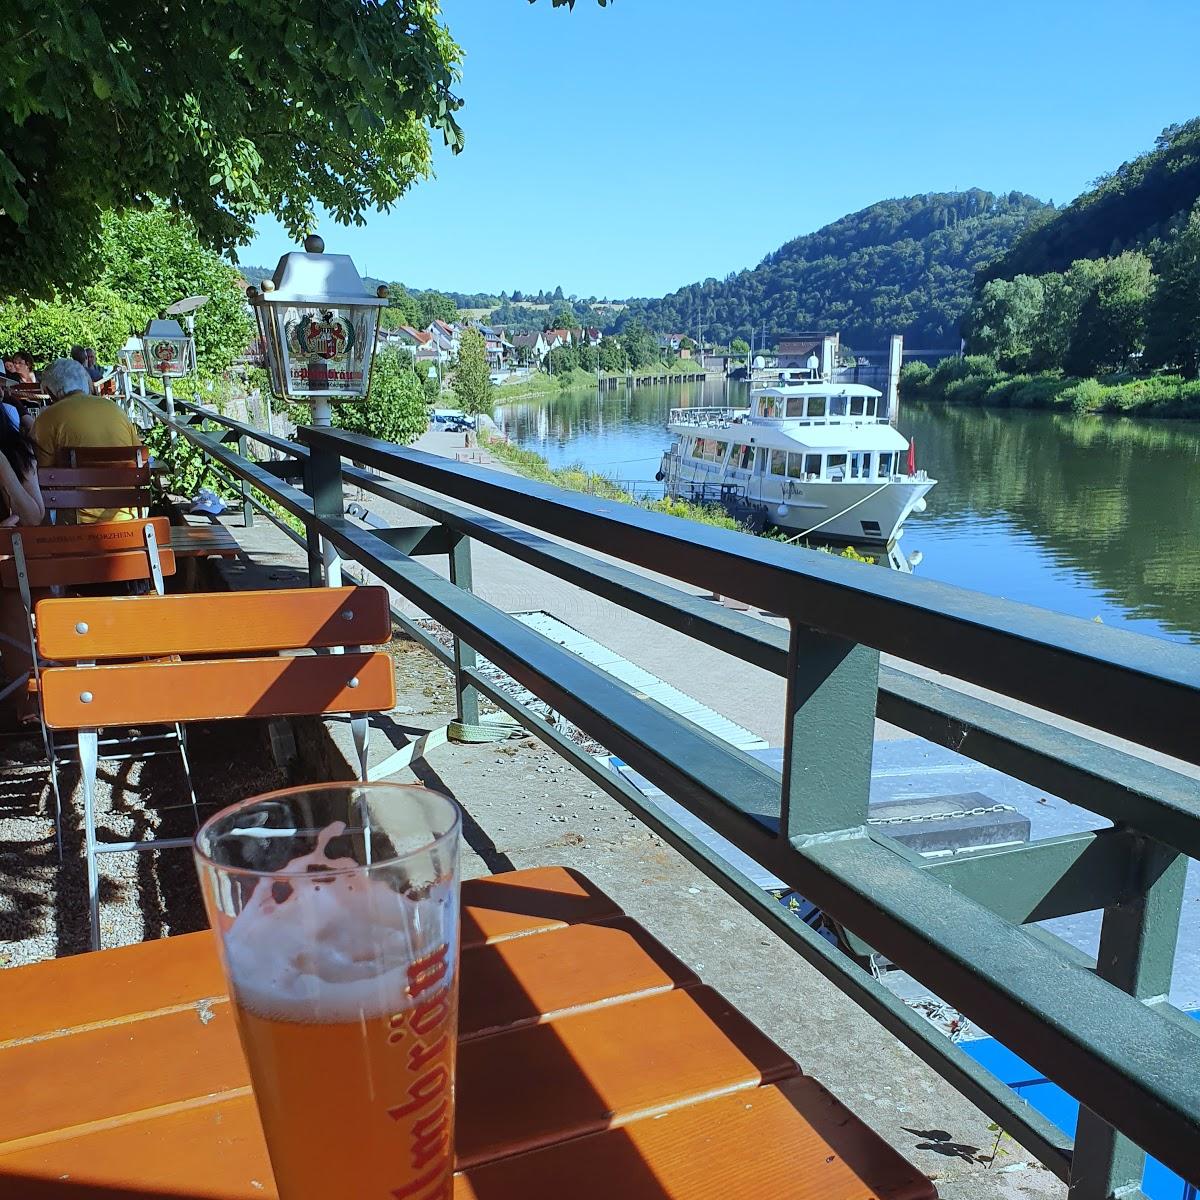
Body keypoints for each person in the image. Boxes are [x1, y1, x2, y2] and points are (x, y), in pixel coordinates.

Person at [33, 357, 142, 522]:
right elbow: (139, 456)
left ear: (49, 392)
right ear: (86, 383)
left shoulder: (47, 418)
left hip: (76, 523)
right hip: (127, 516)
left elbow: (42, 473)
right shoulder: (116, 410)